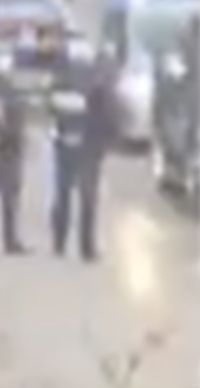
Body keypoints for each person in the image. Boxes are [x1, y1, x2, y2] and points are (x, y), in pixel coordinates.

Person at [47, 42, 116, 261]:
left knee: (63, 193)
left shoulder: (59, 79)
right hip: (88, 145)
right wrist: (106, 141)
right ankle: (86, 248)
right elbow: (107, 113)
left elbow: (50, 107)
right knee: (87, 197)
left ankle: (59, 243)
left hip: (64, 141)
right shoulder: (98, 81)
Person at [0, 57, 27, 255]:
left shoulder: (12, 94)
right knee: (10, 197)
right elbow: (16, 126)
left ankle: (11, 240)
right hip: (9, 152)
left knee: (11, 197)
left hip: (9, 149)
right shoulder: (12, 94)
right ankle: (11, 240)